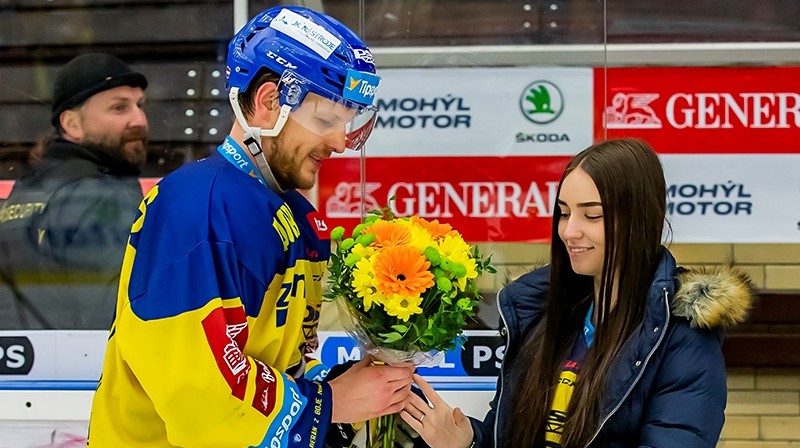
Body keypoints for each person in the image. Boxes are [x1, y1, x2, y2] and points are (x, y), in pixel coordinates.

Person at [88, 6, 413, 447]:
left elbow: (275, 360)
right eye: (324, 120)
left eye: (347, 123)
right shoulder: (197, 208)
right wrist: (330, 403)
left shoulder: (297, 215)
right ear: (267, 103)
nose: (339, 142)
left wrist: (355, 388)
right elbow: (198, 392)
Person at [400, 138, 754, 447]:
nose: (569, 231)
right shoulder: (542, 314)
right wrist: (468, 440)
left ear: (640, 218)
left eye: (592, 215)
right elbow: (509, 436)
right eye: (564, 213)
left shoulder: (681, 333)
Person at [0, 52, 148, 329]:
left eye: (140, 105)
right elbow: (118, 321)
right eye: (119, 108)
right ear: (72, 124)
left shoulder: (22, 194)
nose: (139, 119)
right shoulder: (103, 196)